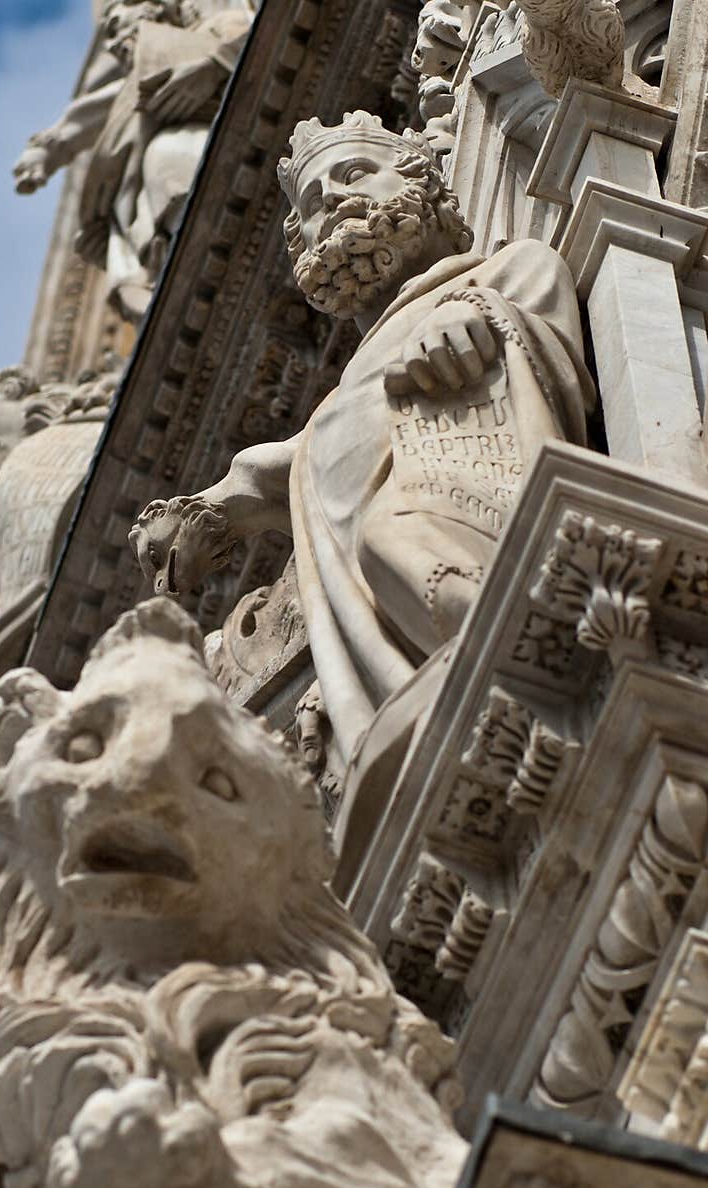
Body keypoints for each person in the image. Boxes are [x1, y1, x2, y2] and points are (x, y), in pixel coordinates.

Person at [131, 111, 594, 769]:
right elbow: (279, 470)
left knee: (390, 536)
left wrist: (476, 319)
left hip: (467, 519)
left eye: (354, 174)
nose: (335, 201)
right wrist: (205, 516)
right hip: (394, 623)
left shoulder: (495, 273)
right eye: (315, 202)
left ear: (424, 189)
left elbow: (548, 324)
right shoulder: (337, 403)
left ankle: (535, 656)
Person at [13, 0, 253, 321]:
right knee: (131, 213)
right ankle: (170, 284)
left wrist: (216, 63)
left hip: (225, 120)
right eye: (111, 32)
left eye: (118, 25)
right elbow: (107, 100)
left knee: (168, 160)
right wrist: (51, 145)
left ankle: (214, 265)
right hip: (171, 149)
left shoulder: (217, 18)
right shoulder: (154, 56)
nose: (113, 42)